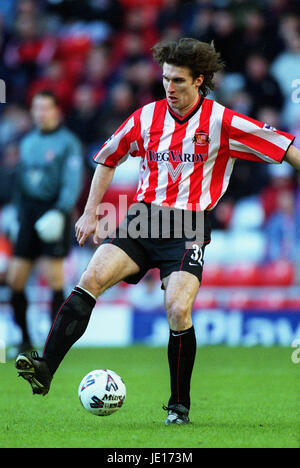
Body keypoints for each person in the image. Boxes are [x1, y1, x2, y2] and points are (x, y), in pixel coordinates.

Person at [15, 38, 300, 426]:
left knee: (178, 308)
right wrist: (90, 211)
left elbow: (283, 146)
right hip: (143, 218)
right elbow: (107, 158)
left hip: (189, 223)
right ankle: (46, 367)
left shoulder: (223, 122)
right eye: (166, 79)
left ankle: (178, 407)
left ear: (199, 81)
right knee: (90, 278)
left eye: (179, 81)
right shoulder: (145, 117)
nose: (170, 88)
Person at [8, 90, 83, 353]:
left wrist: (60, 211)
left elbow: (72, 182)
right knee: (15, 279)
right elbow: (20, 182)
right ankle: (25, 340)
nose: (41, 113)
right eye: (37, 108)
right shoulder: (27, 142)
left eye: (46, 108)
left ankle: (54, 345)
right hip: (29, 213)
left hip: (54, 211)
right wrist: (18, 216)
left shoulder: (67, 143)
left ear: (56, 111)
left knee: (54, 278)